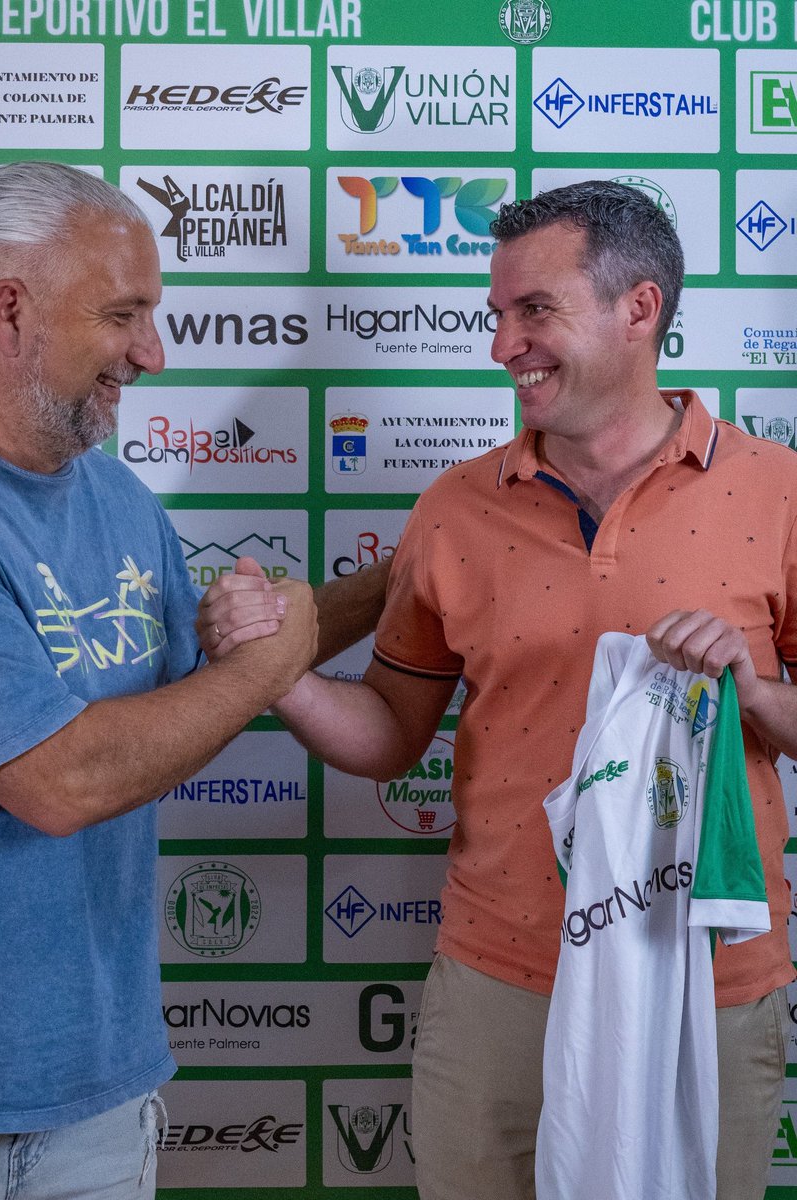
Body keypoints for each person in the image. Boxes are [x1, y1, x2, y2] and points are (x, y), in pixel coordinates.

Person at [200, 181, 797, 1200]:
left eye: (534, 312)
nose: (502, 344)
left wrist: (754, 690)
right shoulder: (455, 506)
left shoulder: (778, 491)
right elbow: (391, 732)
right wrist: (278, 677)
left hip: (707, 983)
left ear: (638, 309)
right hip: (497, 985)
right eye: (496, 314)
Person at [0, 160, 385, 1200]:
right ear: (11, 310)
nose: (153, 353)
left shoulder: (113, 491)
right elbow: (60, 783)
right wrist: (265, 664)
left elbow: (207, 681)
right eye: (124, 315)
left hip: (97, 1092)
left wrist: (411, 577)